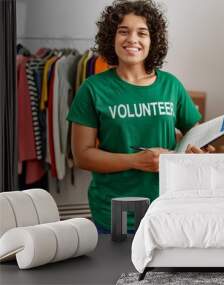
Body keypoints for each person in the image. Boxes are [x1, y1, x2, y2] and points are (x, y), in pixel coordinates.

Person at [67, 0, 213, 232]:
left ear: (152, 40)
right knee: (116, 268)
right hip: (114, 211)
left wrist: (200, 150)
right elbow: (82, 156)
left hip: (166, 207)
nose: (132, 39)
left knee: (164, 269)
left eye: (142, 33)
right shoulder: (92, 89)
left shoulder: (171, 85)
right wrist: (136, 161)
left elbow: (195, 134)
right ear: (111, 38)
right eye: (123, 32)